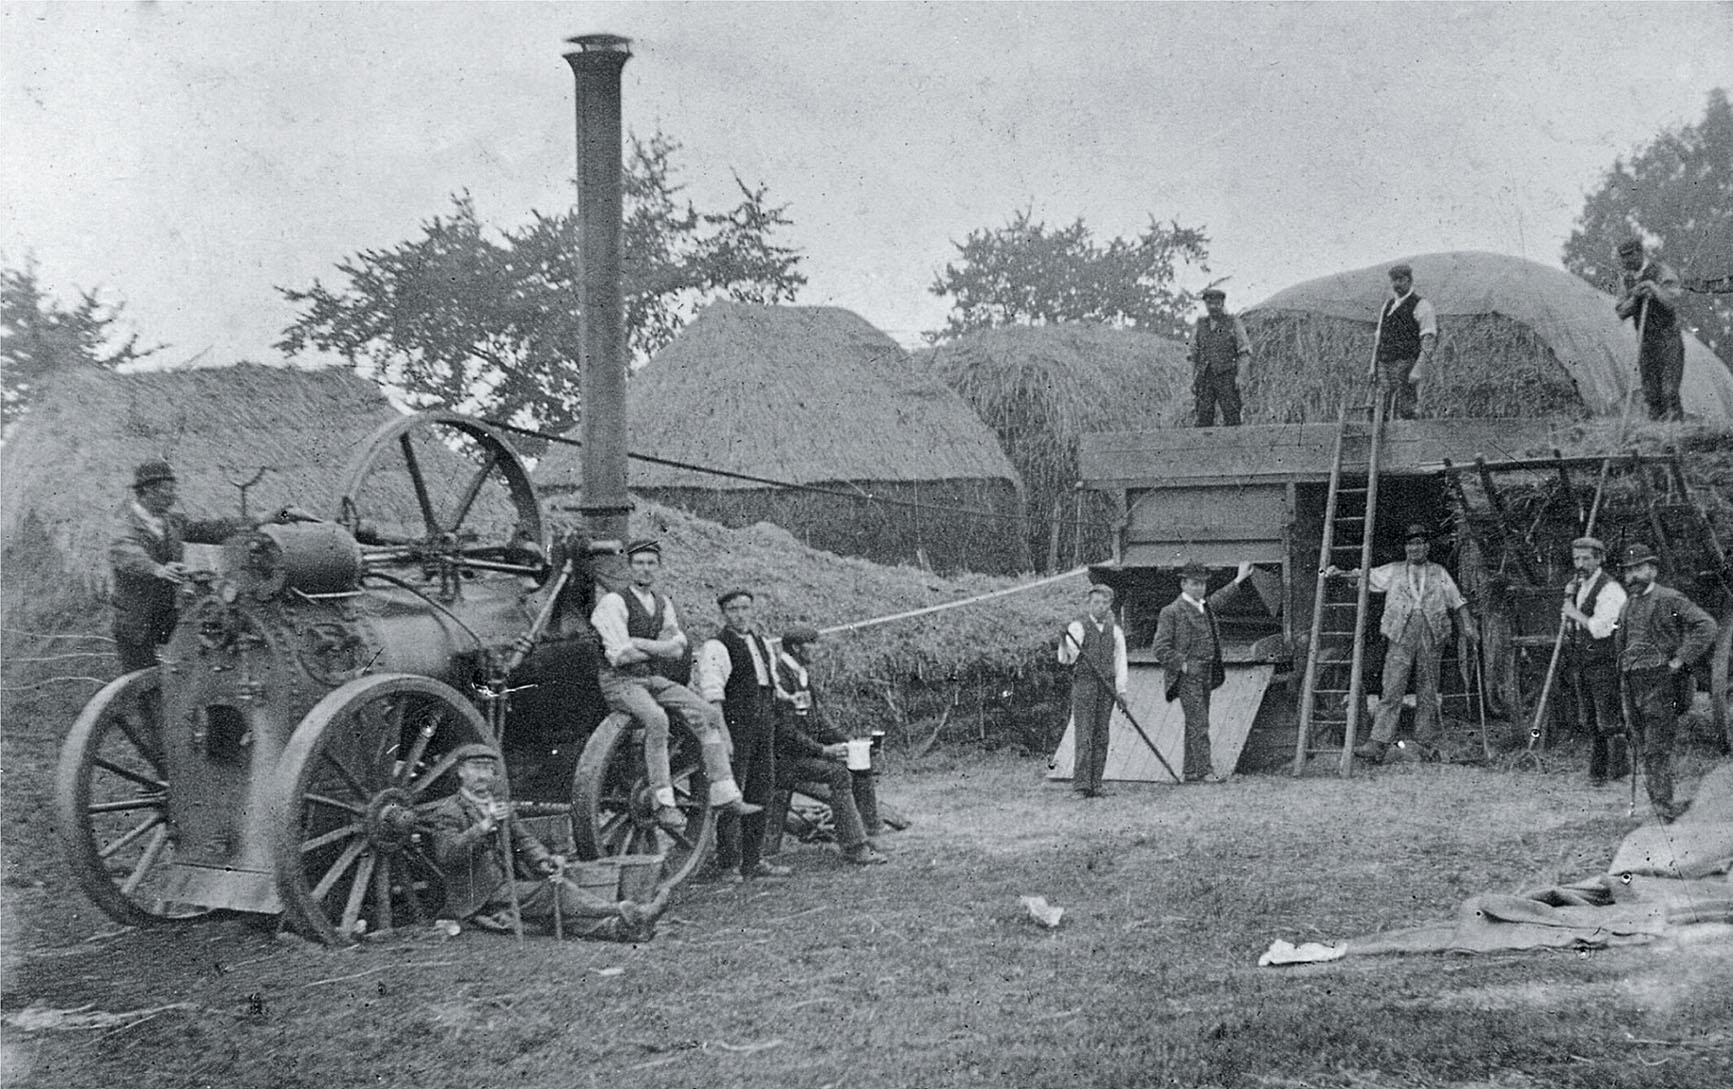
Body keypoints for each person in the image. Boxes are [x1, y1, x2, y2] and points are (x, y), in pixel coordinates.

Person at [589, 539, 759, 832]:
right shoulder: (613, 602)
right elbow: (619, 655)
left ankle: (724, 793)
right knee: (657, 719)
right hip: (620, 683)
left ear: (658, 567)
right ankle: (663, 802)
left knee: (708, 713)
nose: (645, 569)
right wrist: (658, 647)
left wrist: (641, 643)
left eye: (651, 563)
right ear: (630, 568)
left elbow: (678, 648)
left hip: (648, 678)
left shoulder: (662, 602)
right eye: (639, 563)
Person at [423, 745, 660, 941]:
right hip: (477, 897)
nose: (484, 775)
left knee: (558, 914)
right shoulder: (450, 811)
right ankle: (627, 910)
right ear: (460, 771)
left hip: (507, 886)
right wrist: (484, 826)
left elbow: (525, 840)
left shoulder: (497, 803)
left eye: (489, 769)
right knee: (556, 891)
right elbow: (447, 854)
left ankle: (622, 929)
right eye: (476, 768)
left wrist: (545, 861)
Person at [1331, 524, 1479, 764]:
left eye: (1420, 543)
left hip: (1432, 632)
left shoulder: (1439, 572)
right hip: (1401, 633)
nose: (1415, 548)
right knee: (1392, 687)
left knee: (1428, 689)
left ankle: (1425, 742)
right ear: (1406, 548)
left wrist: (1468, 625)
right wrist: (1340, 573)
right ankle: (1378, 742)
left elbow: (1457, 600)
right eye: (1411, 544)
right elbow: (1365, 576)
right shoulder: (1394, 570)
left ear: (1427, 547)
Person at [1614, 543, 1717, 824]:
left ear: (1653, 570)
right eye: (1628, 571)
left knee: (1656, 748)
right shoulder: (1628, 605)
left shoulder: (1669, 599)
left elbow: (1706, 625)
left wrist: (1680, 659)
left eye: (1638, 569)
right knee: (1640, 743)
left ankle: (1663, 808)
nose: (1632, 576)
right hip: (1632, 682)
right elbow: (1621, 645)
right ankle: (1660, 803)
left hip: (1661, 681)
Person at [108, 459, 242, 674]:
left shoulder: (172, 522)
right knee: (143, 682)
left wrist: (269, 518)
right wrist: (157, 569)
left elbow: (215, 529)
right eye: (167, 490)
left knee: (194, 666)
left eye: (173, 489)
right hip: (136, 624)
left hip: (169, 615)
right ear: (148, 491)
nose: (173, 496)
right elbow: (128, 554)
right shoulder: (124, 524)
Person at [772, 624, 889, 865]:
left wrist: (849, 742)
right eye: (813, 645)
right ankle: (854, 847)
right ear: (796, 648)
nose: (817, 650)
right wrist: (823, 750)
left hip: (804, 753)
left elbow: (819, 722)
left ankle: (868, 834)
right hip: (783, 759)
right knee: (838, 773)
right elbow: (784, 731)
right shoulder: (780, 677)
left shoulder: (800, 673)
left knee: (860, 764)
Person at [698, 589, 792, 881]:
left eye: (745, 608)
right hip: (736, 726)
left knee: (762, 788)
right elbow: (713, 695)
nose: (741, 614)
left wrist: (789, 700)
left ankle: (754, 860)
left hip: (764, 724)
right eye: (734, 609)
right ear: (724, 614)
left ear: (752, 610)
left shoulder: (762, 642)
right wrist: (723, 734)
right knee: (731, 793)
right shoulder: (716, 646)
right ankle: (728, 863)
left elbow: (772, 683)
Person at [1152, 562, 1253, 783]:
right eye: (1195, 584)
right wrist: (1182, 664)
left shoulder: (1204, 606)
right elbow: (1159, 648)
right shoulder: (1171, 612)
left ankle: (1190, 771)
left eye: (1203, 584)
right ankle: (1206, 771)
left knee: (1195, 722)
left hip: (1206, 673)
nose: (1200, 588)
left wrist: (1239, 579)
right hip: (1187, 676)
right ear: (1183, 584)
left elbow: (1220, 598)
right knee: (1199, 723)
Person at [1558, 536, 1628, 785]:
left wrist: (1575, 613)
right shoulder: (1580, 586)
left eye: (1586, 558)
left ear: (1600, 559)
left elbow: (1603, 628)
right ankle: (1598, 771)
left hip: (1604, 659)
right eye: (1576, 558)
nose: (1580, 563)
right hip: (1583, 660)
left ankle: (1619, 771)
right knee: (1590, 718)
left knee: (1608, 716)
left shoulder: (1610, 588)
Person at [1057, 584, 1128, 796]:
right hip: (1085, 685)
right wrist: (1063, 640)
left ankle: (1096, 784)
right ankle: (1081, 786)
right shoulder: (1078, 627)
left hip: (1107, 687)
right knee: (1084, 735)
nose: (1101, 607)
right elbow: (1066, 659)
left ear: (1110, 605)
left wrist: (1121, 691)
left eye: (1105, 603)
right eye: (1096, 602)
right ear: (1089, 604)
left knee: (1102, 735)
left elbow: (1120, 663)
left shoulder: (1115, 631)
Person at [1614, 238, 1686, 422]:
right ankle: (1657, 435)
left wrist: (1653, 288)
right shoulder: (1626, 280)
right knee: (1651, 394)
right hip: (1646, 341)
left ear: (1639, 252)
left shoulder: (1661, 271)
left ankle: (1674, 432)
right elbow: (1621, 312)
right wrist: (1636, 298)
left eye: (1629, 256)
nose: (1626, 262)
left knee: (1669, 392)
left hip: (1668, 339)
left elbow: (1672, 301)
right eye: (1623, 257)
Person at [1372, 264, 1438, 421]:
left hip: (1406, 363)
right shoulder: (1387, 306)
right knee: (1383, 407)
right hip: (1384, 363)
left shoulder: (1422, 305)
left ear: (1409, 281)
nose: (1397, 284)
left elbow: (1428, 341)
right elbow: (1379, 338)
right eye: (1394, 280)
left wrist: (1418, 370)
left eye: (1401, 280)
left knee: (1405, 407)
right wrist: (1372, 365)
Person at [1187, 288, 1253, 427]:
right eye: (1209, 303)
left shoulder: (1233, 322)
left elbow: (1244, 352)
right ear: (1206, 304)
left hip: (1227, 375)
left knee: (1231, 414)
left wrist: (1240, 377)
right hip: (1205, 377)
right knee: (1203, 415)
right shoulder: (1200, 324)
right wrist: (1193, 378)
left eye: (1216, 303)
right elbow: (1193, 354)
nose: (1213, 307)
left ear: (1222, 303)